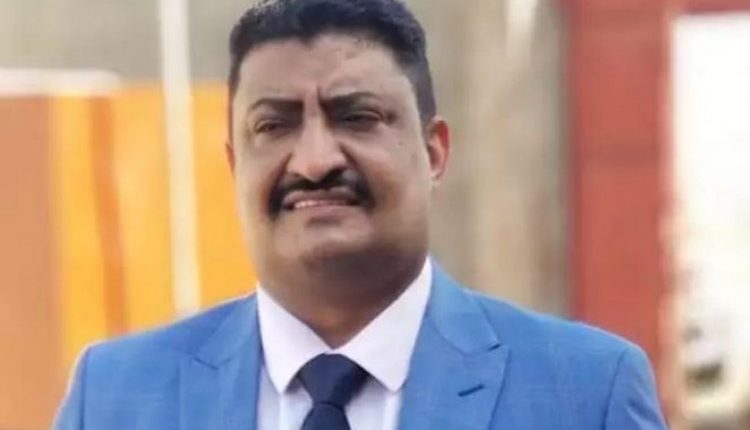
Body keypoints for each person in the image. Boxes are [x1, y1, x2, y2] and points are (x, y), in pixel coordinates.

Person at [55, 0, 668, 428]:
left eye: (357, 117)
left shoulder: (585, 393)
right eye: (274, 125)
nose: (315, 160)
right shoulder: (115, 398)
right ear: (234, 163)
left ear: (434, 152)